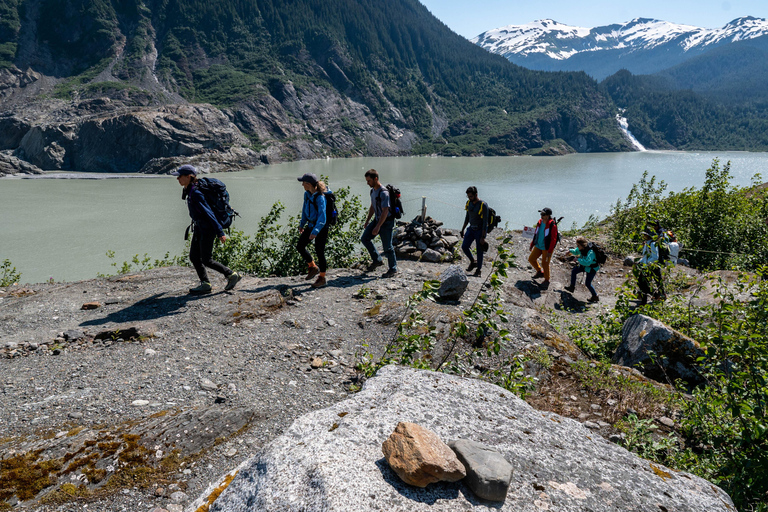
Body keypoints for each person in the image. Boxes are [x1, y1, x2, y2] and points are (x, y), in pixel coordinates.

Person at [173, 164, 241, 293]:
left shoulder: (197, 193)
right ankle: (205, 283)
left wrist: (220, 232)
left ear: (189, 176)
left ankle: (231, 275)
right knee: (194, 256)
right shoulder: (191, 189)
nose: (177, 179)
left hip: (207, 228)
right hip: (200, 227)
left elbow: (209, 212)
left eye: (180, 176)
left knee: (206, 259)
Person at [361, 169, 397, 277]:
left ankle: (393, 269)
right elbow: (372, 206)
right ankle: (377, 260)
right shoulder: (373, 191)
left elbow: (385, 211)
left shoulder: (384, 192)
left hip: (386, 222)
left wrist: (378, 226)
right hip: (377, 220)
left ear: (375, 179)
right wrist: (367, 221)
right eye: (367, 181)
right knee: (365, 238)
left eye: (369, 181)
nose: (367, 183)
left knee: (387, 247)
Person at [297, 173, 329, 288]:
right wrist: (302, 224)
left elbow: (322, 217)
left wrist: (315, 231)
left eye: (303, 183)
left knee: (320, 251)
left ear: (308, 184)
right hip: (310, 226)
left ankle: (322, 278)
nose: (302, 185)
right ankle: (313, 267)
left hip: (321, 228)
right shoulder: (307, 194)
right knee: (300, 246)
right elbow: (305, 210)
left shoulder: (320, 197)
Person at [460, 186, 488, 277]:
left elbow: (485, 222)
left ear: (476, 195)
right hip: (471, 229)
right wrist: (463, 229)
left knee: (479, 250)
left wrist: (483, 237)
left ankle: (479, 270)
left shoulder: (483, 205)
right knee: (464, 246)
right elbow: (467, 217)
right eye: (468, 197)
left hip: (480, 231)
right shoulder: (469, 203)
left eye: (471, 196)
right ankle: (473, 261)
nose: (469, 198)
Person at [528, 207, 558, 289]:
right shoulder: (540, 222)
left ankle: (547, 280)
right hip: (538, 245)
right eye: (541, 213)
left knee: (545, 264)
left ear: (548, 216)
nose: (541, 215)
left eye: (543, 214)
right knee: (531, 259)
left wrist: (550, 251)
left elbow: (553, 239)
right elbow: (536, 233)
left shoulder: (552, 225)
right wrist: (532, 244)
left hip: (547, 248)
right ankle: (539, 271)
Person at [634, 231, 665, 305]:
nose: (644, 236)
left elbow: (655, 257)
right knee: (642, 283)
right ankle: (654, 295)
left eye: (645, 234)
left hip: (651, 266)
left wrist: (646, 265)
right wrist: (640, 262)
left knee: (643, 283)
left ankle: (648, 299)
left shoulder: (653, 244)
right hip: (646, 266)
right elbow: (645, 256)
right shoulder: (647, 243)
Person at [564, 237, 600, 303]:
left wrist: (578, 259)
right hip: (584, 266)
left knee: (588, 283)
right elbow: (576, 251)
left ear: (582, 245)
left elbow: (587, 262)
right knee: (574, 271)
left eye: (578, 245)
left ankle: (595, 296)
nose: (577, 247)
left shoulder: (590, 252)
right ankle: (572, 287)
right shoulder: (581, 249)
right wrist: (570, 251)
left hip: (592, 268)